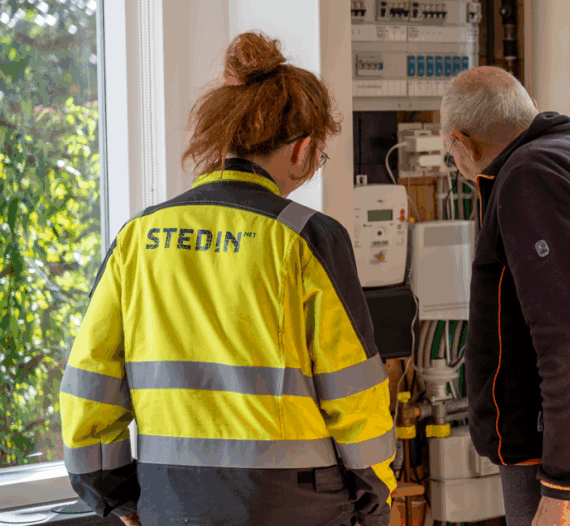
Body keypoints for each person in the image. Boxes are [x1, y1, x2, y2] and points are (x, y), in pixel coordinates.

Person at [59, 31, 396, 526]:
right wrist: (375, 498)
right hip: (296, 507)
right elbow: (354, 392)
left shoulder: (138, 238)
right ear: (302, 149)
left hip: (170, 503)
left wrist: (118, 497)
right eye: (318, 156)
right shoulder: (306, 237)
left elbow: (90, 387)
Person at [442, 66, 570, 526]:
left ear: (461, 144)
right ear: (530, 110)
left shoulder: (530, 178)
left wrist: (561, 485)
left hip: (559, 453)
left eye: (449, 152)